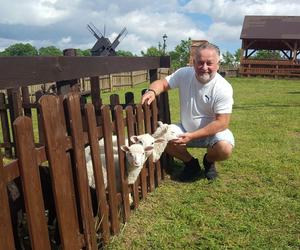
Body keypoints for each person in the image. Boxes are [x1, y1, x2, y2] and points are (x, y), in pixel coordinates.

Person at [141, 43, 234, 181]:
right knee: (161, 135)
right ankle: (191, 164)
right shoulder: (184, 73)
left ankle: (208, 161)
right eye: (200, 63)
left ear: (218, 65)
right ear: (193, 62)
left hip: (213, 134)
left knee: (225, 149)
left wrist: (192, 136)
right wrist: (152, 91)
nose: (204, 68)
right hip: (186, 129)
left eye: (209, 63)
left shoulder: (223, 88)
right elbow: (162, 83)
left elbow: (222, 123)